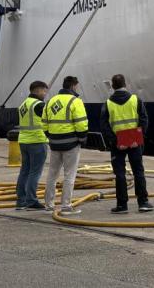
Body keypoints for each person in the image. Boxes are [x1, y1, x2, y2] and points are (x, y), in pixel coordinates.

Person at [100, 74, 153, 213]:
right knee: (138, 172)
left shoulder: (108, 104)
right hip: (135, 142)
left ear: (112, 86)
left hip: (117, 144)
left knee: (120, 174)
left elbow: (104, 125)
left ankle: (122, 205)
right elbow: (144, 120)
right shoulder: (136, 100)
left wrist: (115, 140)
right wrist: (137, 138)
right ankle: (143, 202)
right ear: (126, 84)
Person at [43, 76, 89, 215]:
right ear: (74, 86)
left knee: (52, 174)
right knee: (69, 175)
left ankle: (49, 205)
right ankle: (66, 206)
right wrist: (82, 139)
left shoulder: (50, 101)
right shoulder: (76, 101)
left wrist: (51, 137)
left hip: (55, 144)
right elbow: (81, 123)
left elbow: (44, 123)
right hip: (71, 144)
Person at [14, 80, 50, 211]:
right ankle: (31, 201)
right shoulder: (39, 104)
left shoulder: (24, 104)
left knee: (24, 171)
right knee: (35, 172)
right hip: (37, 141)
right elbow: (48, 121)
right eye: (44, 91)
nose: (45, 94)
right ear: (38, 90)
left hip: (23, 141)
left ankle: (21, 200)